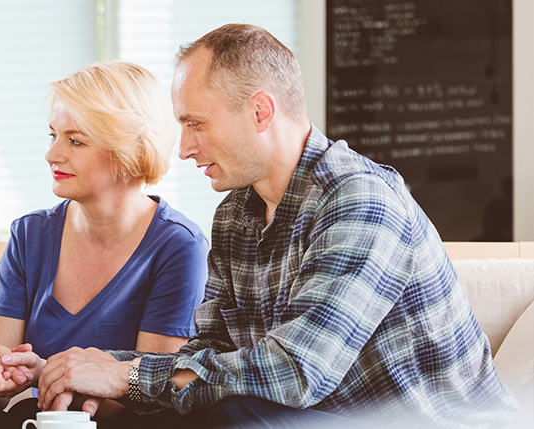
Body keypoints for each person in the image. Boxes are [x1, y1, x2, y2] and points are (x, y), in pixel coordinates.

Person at [32, 24, 520, 428]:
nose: (182, 148)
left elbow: (296, 371)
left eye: (196, 124)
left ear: (261, 111)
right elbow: (212, 355)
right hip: (318, 417)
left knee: (232, 414)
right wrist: (90, 371)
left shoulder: (360, 200)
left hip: (425, 422)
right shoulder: (234, 216)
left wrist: (125, 377)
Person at [0, 62, 209, 429]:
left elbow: (153, 405)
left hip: (113, 424)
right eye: (53, 135)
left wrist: (49, 375)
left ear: (130, 151)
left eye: (75, 141)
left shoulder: (178, 246)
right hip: (41, 420)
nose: (52, 155)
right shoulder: (30, 235)